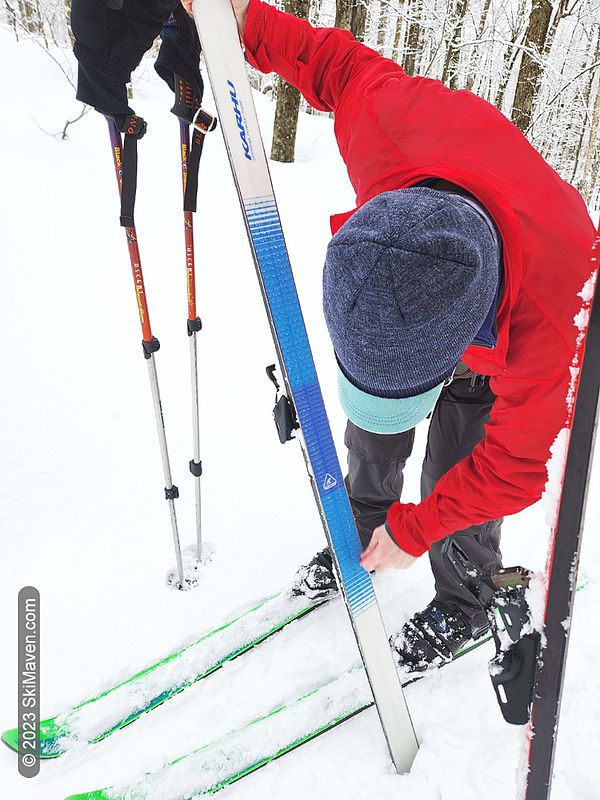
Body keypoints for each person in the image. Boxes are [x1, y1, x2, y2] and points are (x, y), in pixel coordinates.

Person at [186, 0, 594, 671]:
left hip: (511, 312)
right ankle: (360, 529)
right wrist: (239, 21)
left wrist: (420, 527)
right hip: (437, 272)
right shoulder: (389, 126)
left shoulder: (556, 317)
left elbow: (513, 471)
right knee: (372, 433)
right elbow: (332, 62)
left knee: (459, 467)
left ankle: (463, 601)